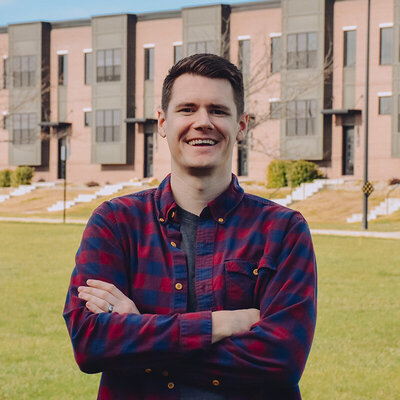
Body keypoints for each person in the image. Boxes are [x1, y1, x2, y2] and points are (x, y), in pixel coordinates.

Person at [63, 53, 317, 400]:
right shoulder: (115, 222)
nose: (203, 122)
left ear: (241, 125)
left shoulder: (283, 230)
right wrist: (219, 325)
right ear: (163, 123)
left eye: (218, 110)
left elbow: (281, 360)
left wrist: (139, 333)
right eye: (187, 109)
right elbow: (90, 342)